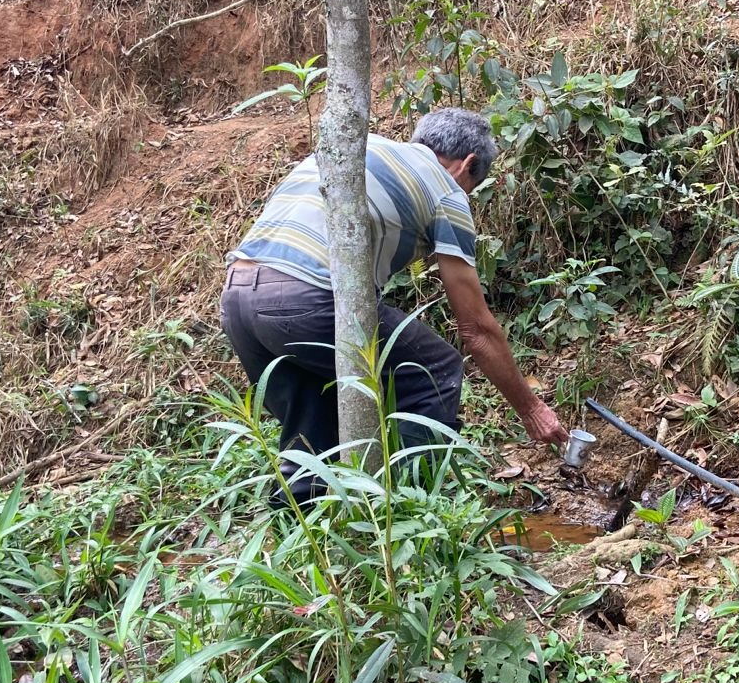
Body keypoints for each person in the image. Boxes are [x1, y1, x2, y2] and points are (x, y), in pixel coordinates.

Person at [220, 107, 567, 501]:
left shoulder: (353, 149)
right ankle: (411, 507)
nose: (468, 195)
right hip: (306, 298)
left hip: (237, 298)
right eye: (475, 185)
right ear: (467, 165)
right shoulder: (447, 191)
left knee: (314, 418)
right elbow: (476, 330)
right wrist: (531, 409)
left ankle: (308, 537)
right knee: (435, 370)